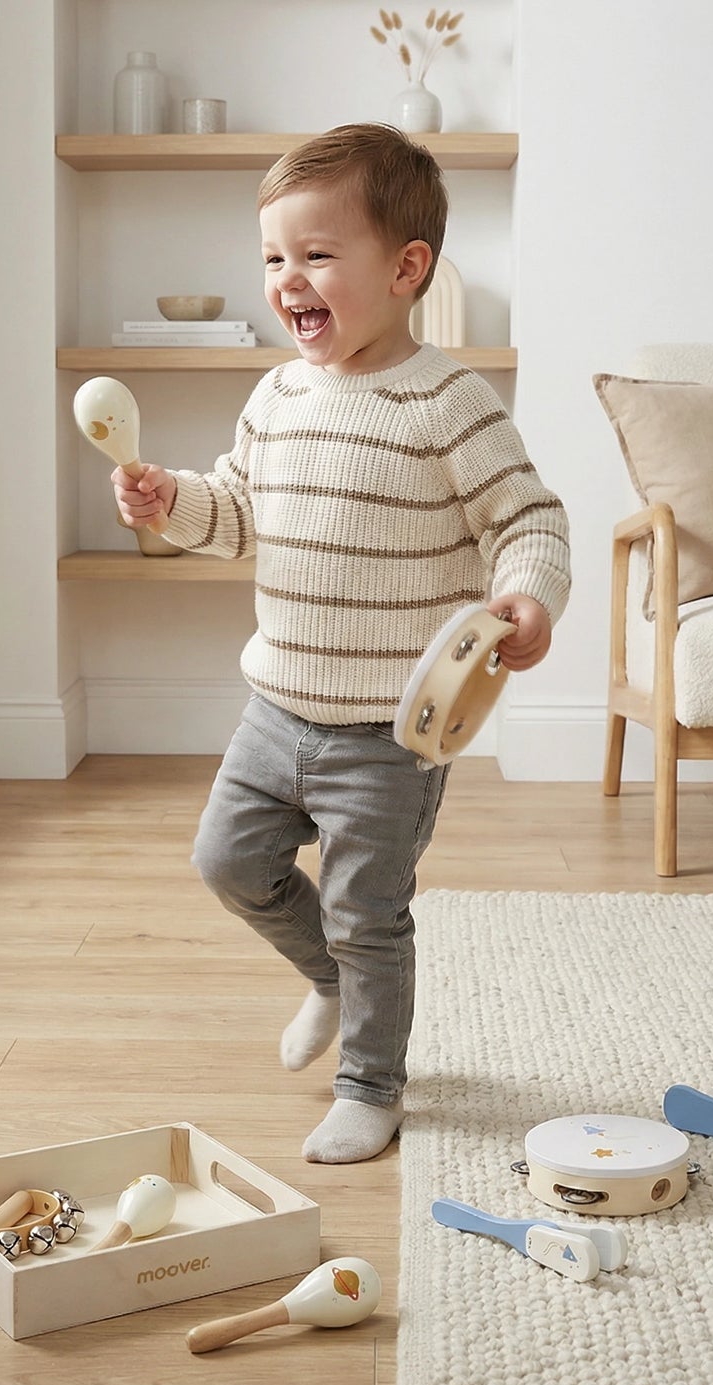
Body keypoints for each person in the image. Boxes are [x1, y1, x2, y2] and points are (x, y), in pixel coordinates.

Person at [113, 123, 571, 1163]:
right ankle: (326, 977)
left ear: (406, 268)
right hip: (276, 707)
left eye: (316, 254)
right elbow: (235, 513)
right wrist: (169, 501)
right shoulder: (274, 395)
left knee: (371, 911)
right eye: (273, 257)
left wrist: (524, 594)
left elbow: (528, 518)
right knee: (225, 859)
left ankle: (371, 1080)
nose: (287, 279)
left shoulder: (449, 402)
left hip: (390, 730)